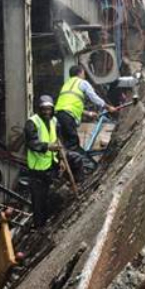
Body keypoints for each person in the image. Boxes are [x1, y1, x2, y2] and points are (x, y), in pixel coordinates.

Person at [55, 65, 118, 178]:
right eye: (84, 73)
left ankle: (71, 172)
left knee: (67, 145)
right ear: (80, 72)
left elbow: (69, 105)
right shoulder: (82, 83)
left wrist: (88, 113)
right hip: (67, 117)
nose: (84, 75)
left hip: (59, 116)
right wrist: (108, 107)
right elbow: (94, 97)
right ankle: (88, 170)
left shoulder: (67, 84)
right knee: (73, 145)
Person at [24, 95, 60, 228]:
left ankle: (47, 223)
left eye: (49, 109)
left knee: (48, 198)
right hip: (37, 170)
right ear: (39, 109)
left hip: (51, 166)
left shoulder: (54, 121)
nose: (46, 112)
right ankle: (39, 227)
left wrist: (61, 159)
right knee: (38, 201)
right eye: (44, 109)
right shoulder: (32, 122)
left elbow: (57, 140)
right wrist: (47, 146)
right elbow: (32, 143)